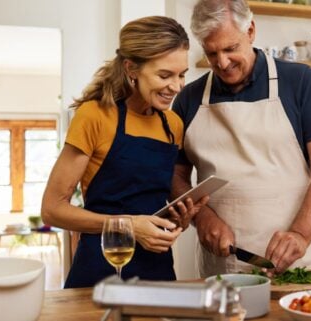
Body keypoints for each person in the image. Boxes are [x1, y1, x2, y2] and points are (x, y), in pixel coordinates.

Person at [171, 0, 311, 277]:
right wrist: (200, 217)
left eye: (230, 49)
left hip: (293, 263)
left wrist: (300, 233)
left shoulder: (300, 81)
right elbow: (175, 177)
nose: (222, 63)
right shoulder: (188, 98)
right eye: (212, 53)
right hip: (221, 267)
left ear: (250, 31)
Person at [41, 16, 207, 288]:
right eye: (164, 75)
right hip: (101, 267)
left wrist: (179, 219)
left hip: (157, 271)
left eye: (181, 75)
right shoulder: (95, 116)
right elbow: (52, 210)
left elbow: (150, 203)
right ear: (131, 69)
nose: (177, 87)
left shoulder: (172, 125)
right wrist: (129, 226)